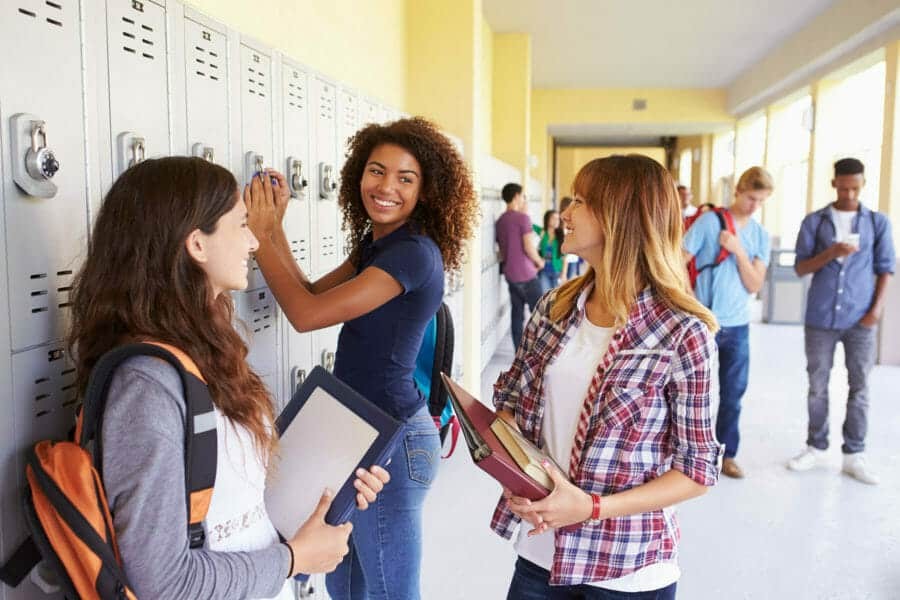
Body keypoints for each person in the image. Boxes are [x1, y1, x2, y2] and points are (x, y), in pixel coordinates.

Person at [67, 157, 389, 599]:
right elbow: (163, 583)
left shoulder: (203, 351)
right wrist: (294, 558)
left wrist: (331, 486)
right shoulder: (147, 386)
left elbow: (236, 500)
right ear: (197, 244)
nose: (255, 240)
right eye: (242, 224)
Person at [245, 117, 478, 600]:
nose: (386, 186)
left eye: (405, 178)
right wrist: (273, 231)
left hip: (392, 445)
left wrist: (261, 231)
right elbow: (309, 292)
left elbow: (306, 315)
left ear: (426, 191)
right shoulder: (380, 246)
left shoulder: (412, 254)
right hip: (360, 436)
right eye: (377, 171)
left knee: (391, 593)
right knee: (346, 587)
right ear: (358, 175)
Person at [492, 155, 721, 599]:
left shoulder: (683, 334)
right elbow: (511, 406)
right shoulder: (553, 309)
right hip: (541, 556)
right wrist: (514, 475)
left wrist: (592, 508)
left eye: (580, 201)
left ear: (620, 218)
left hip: (627, 569)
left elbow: (695, 471)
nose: (565, 213)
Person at [787, 157, 895, 485]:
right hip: (820, 317)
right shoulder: (815, 222)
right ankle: (815, 446)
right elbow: (801, 268)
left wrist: (876, 310)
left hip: (860, 318)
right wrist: (831, 253)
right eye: (844, 187)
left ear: (863, 185)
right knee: (817, 384)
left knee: (859, 385)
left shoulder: (877, 223)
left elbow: (886, 268)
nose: (849, 193)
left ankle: (854, 454)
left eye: (856, 188)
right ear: (834, 183)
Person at [683, 166, 773, 479]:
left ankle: (727, 454)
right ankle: (687, 453)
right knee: (691, 392)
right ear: (738, 190)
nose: (754, 205)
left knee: (733, 394)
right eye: (751, 197)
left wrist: (737, 251)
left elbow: (754, 284)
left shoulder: (759, 235)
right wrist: (687, 300)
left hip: (738, 325)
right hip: (704, 321)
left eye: (761, 201)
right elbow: (678, 260)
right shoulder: (710, 222)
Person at [496, 182, 545, 349]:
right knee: (541, 315)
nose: (524, 199)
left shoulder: (500, 221)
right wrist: (539, 261)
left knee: (517, 315)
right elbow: (528, 247)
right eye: (523, 196)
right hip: (527, 274)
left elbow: (503, 251)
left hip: (510, 275)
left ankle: (518, 352)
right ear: (516, 196)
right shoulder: (523, 218)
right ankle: (540, 352)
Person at [537, 209, 565, 292]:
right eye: (553, 218)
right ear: (547, 219)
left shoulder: (561, 236)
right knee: (545, 296)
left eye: (558, 219)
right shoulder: (542, 232)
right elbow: (529, 225)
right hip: (544, 271)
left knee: (555, 298)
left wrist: (563, 274)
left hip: (557, 271)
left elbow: (564, 257)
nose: (556, 221)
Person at [559, 196, 583, 280]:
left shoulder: (574, 222)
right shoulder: (560, 223)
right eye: (566, 207)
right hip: (562, 258)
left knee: (570, 280)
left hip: (573, 257)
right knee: (562, 280)